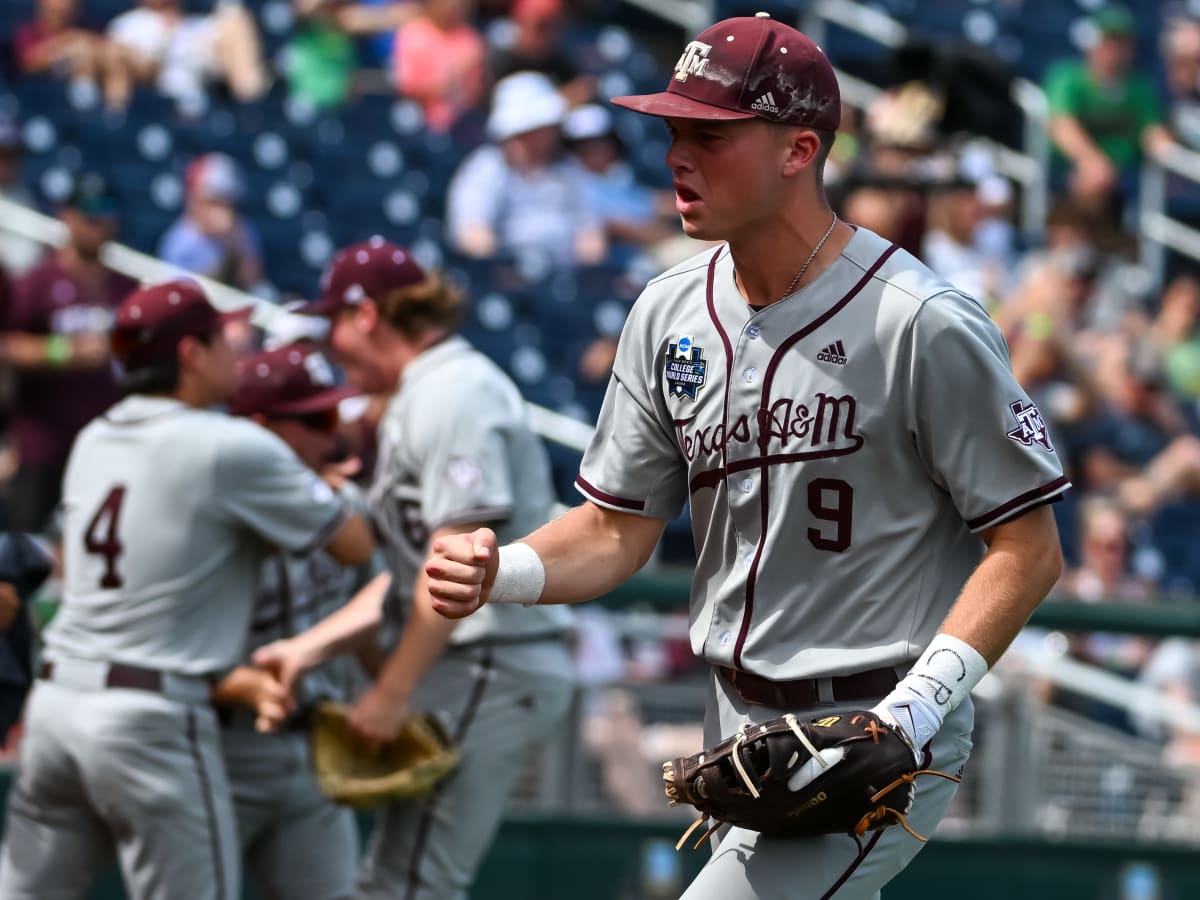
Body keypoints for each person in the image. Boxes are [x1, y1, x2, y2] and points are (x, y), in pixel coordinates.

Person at [425, 14, 1067, 899]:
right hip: (735, 717)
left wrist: (913, 714)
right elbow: (616, 528)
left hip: (876, 722)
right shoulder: (667, 312)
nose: (677, 156)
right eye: (673, 131)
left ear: (799, 149)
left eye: (711, 135)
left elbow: (1029, 548)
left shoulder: (917, 319)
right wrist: (507, 570)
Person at [0, 279, 375, 900]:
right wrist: (311, 482)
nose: (234, 351)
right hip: (151, 714)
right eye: (219, 339)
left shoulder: (94, 436)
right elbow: (357, 545)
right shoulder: (228, 445)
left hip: (58, 707)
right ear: (191, 356)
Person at [252, 238, 575, 899]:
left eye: (335, 323)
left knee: (409, 884)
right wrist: (310, 648)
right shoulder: (421, 393)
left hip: (494, 658)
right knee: (395, 881)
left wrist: (391, 690)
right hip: (474, 661)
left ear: (366, 315)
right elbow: (411, 580)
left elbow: (452, 568)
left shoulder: (454, 391)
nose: (332, 346)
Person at [220, 342, 379, 900]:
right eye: (314, 420)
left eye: (334, 415)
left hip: (310, 747)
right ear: (261, 427)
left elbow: (375, 607)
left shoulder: (345, 508)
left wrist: (393, 694)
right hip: (216, 744)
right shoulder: (206, 511)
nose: (330, 435)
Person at [1, 173, 136, 534]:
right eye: (89, 210)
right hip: (44, 445)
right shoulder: (37, 281)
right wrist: (64, 351)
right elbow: (7, 345)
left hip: (107, 444)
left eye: (108, 210)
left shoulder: (125, 286)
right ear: (67, 216)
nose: (99, 220)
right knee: (25, 558)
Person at [445, 70, 605, 265]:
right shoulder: (486, 169)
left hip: (566, 276)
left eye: (545, 129)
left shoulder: (568, 169)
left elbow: (590, 231)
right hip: (507, 273)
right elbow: (471, 233)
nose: (543, 137)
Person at [1043, 3, 1174, 214]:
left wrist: (1164, 148)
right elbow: (1061, 126)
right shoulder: (1067, 77)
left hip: (1127, 170)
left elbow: (1152, 130)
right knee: (1089, 181)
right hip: (1075, 170)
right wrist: (1091, 160)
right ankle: (1081, 235)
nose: (1115, 49)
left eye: (1122, 42)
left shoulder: (1139, 87)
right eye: (1109, 41)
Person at [158, 153, 265, 294]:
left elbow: (254, 283)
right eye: (215, 202)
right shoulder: (178, 241)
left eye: (228, 203)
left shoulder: (242, 229)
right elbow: (184, 296)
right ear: (194, 200)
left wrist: (235, 243)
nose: (222, 210)